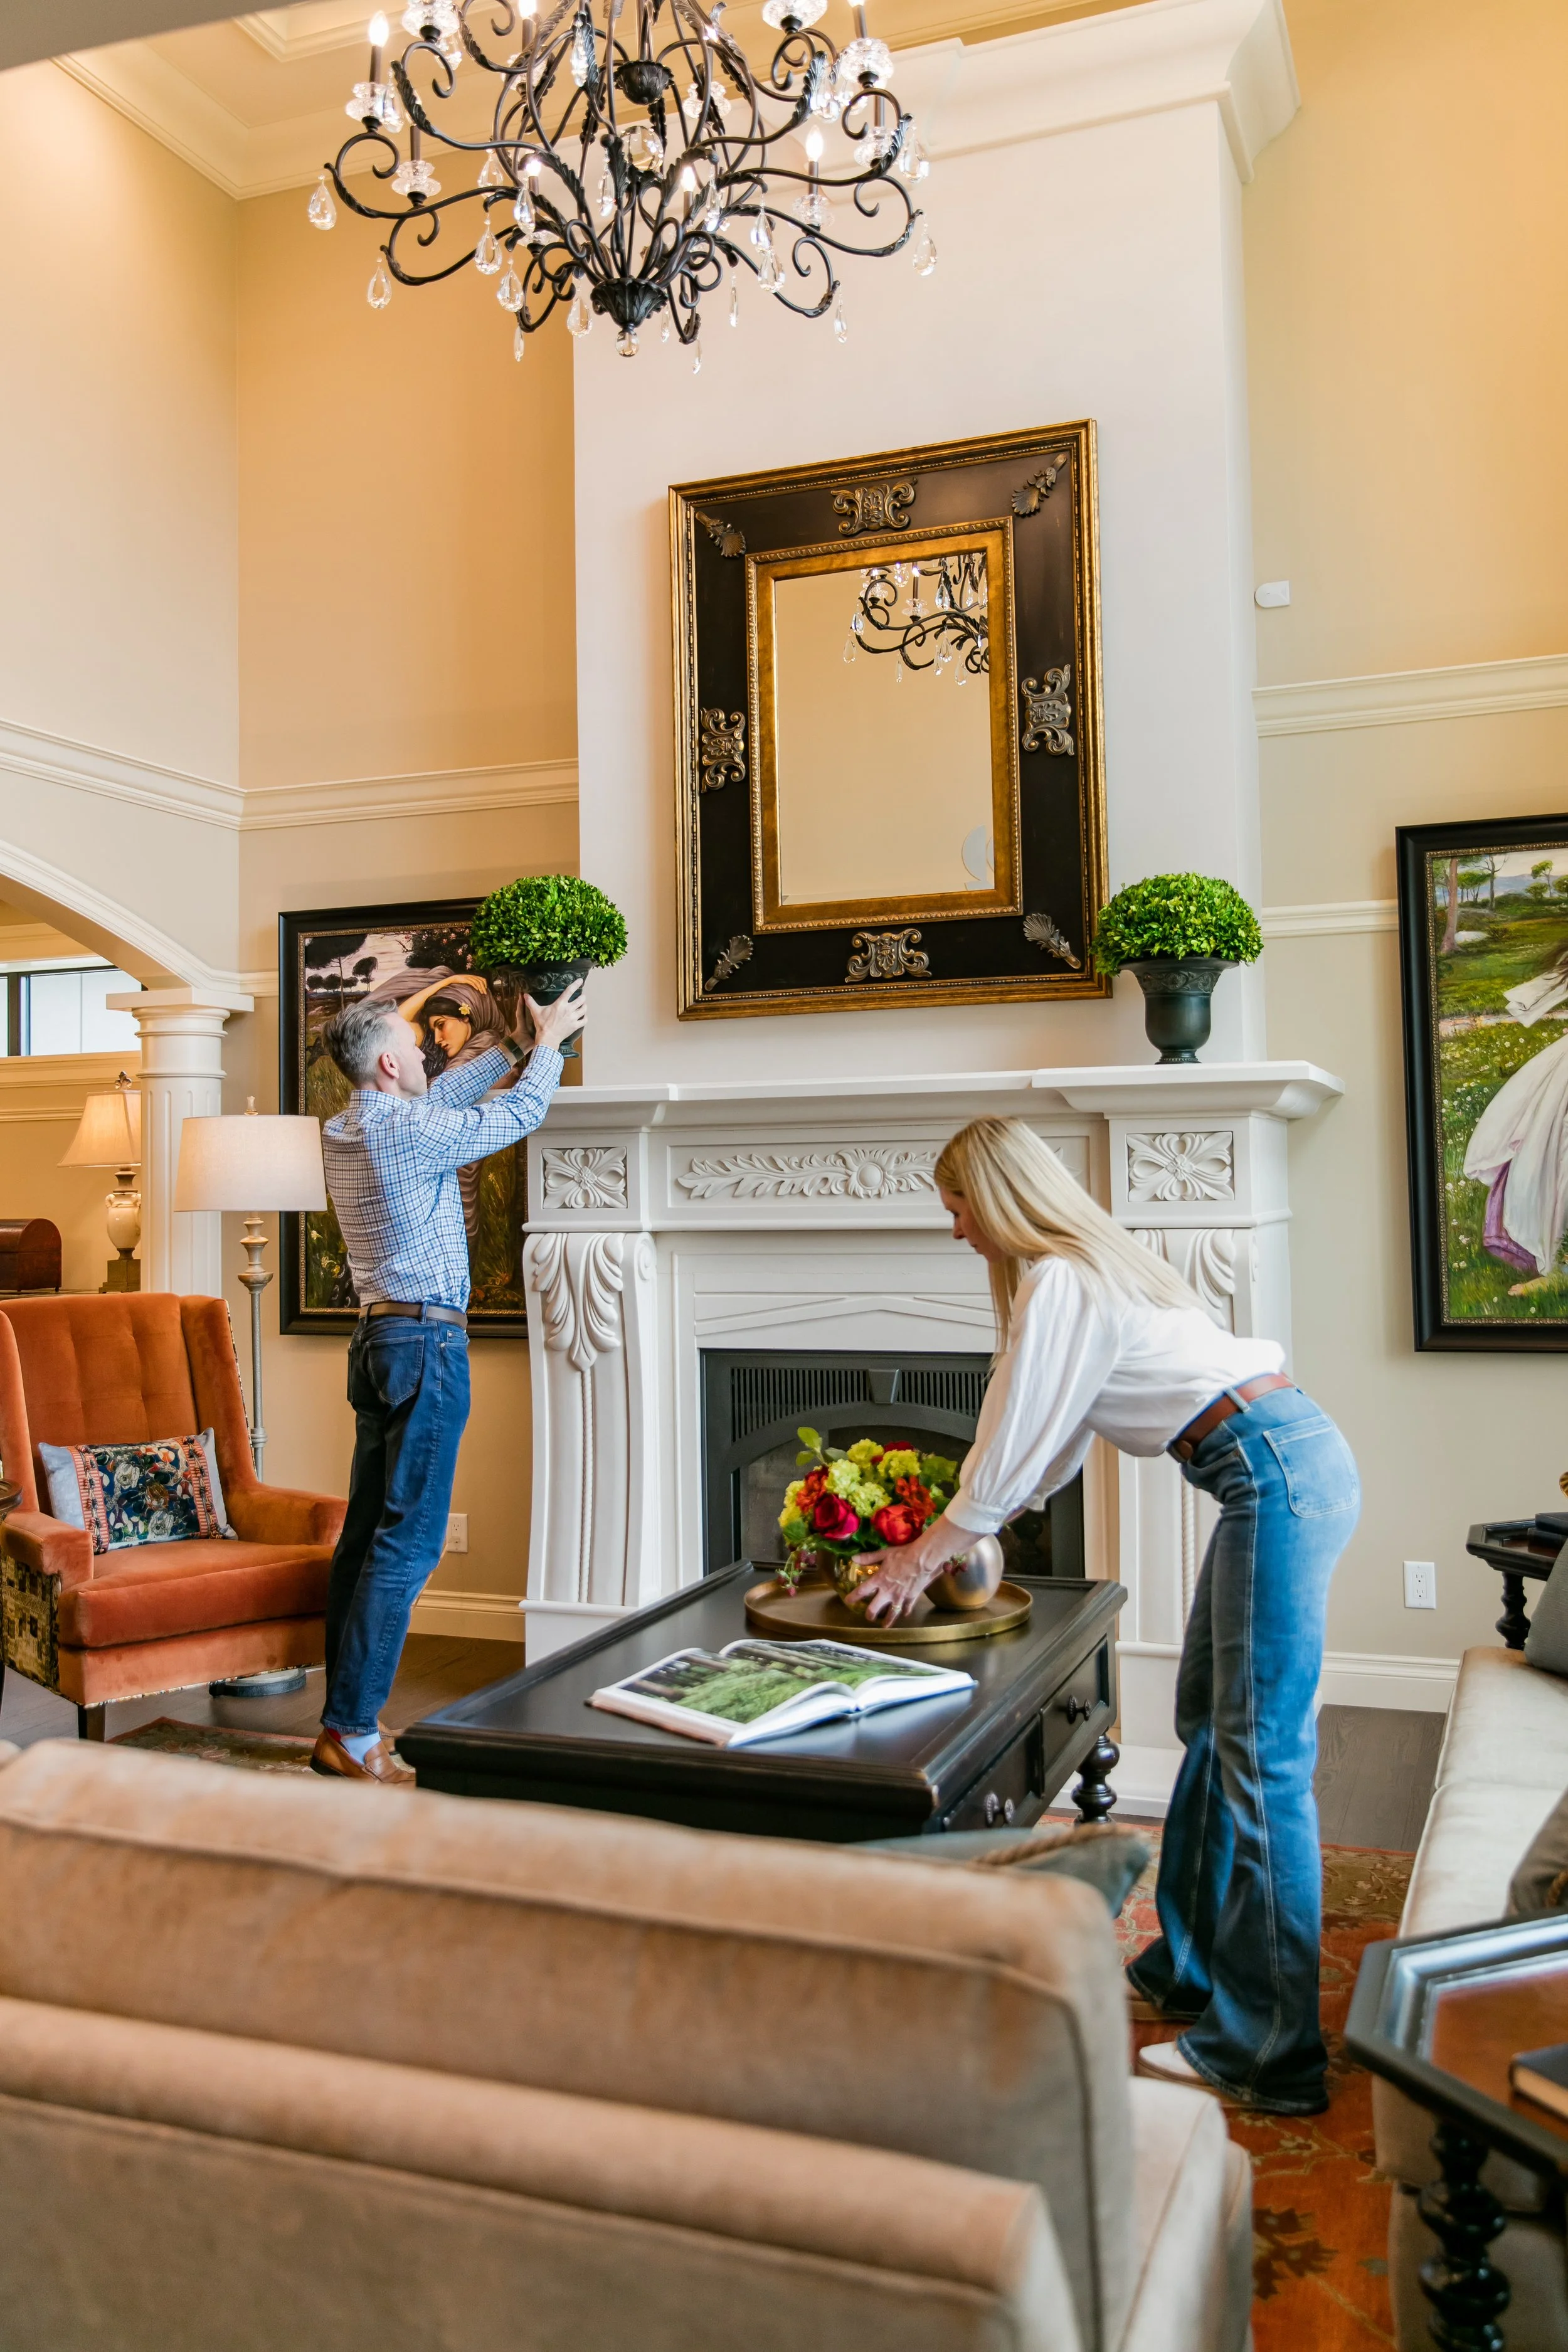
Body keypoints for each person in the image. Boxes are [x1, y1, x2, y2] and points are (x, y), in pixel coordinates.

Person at [853, 1116, 1360, 2115]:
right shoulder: (1068, 1278)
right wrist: (957, 1533)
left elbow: (1009, 1447)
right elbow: (1038, 1435)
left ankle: (1271, 2050)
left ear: (994, 1196)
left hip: (1272, 1472)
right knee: (1212, 1721)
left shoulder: (1063, 1278)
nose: (955, 1228)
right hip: (1272, 1467)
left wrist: (927, 1555)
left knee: (1261, 1756)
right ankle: (1192, 1968)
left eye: (956, 1205)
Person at [309, 978, 584, 1786]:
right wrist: (553, 1045)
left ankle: (344, 1721)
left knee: (366, 1541)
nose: (430, 1050)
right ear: (391, 1063)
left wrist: (511, 1043)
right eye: (415, 1042)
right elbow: (512, 1117)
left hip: (380, 1341)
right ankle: (352, 1733)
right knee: (410, 1543)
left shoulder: (353, 1124)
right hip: (425, 1344)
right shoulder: (406, 1130)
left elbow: (453, 1094)